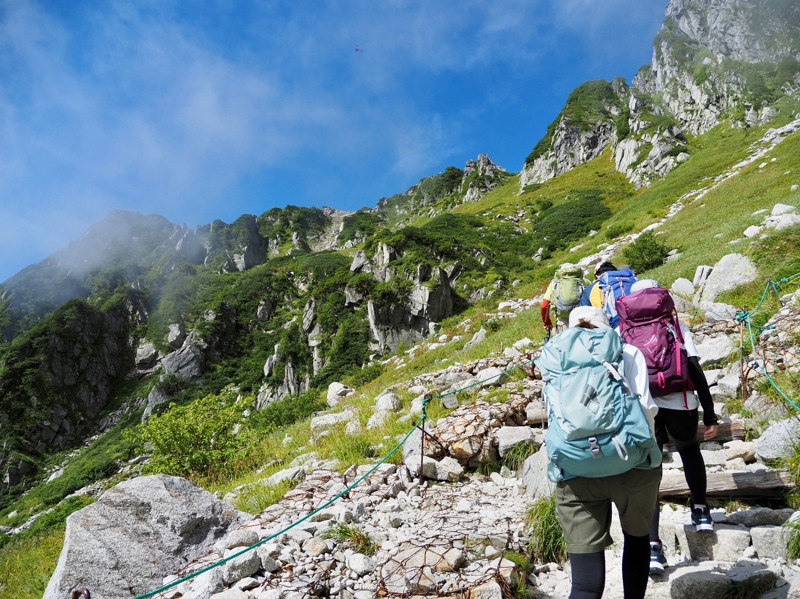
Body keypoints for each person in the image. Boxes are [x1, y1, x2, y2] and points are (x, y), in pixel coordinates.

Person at [547, 306, 661, 599]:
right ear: (606, 326)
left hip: (576, 469)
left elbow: (555, 416)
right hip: (632, 466)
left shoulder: (556, 359)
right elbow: (647, 408)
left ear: (569, 331)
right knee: (637, 541)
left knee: (585, 585)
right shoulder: (627, 352)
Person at [622, 279, 719, 575]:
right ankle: (701, 512)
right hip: (681, 402)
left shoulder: (623, 330)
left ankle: (653, 547)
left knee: (651, 472)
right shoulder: (674, 325)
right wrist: (710, 415)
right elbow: (694, 369)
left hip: (644, 407)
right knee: (690, 451)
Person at [541, 263, 585, 339]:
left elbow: (544, 305)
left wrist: (547, 322)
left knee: (565, 347)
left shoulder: (555, 283)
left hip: (563, 321)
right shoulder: (582, 281)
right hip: (581, 319)